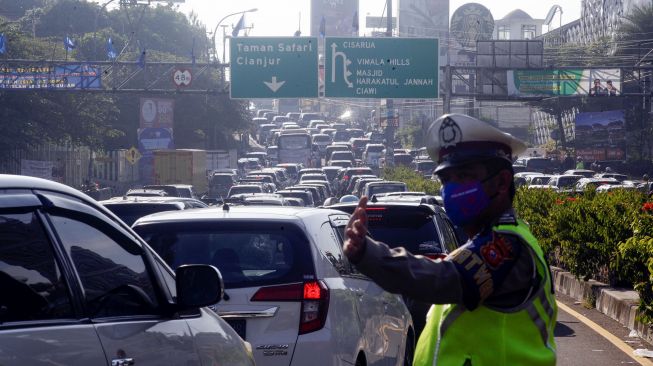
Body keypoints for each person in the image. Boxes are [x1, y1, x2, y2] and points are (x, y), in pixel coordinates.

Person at [344, 113, 557, 366]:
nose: (452, 189)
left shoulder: (508, 246)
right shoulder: (475, 245)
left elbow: (440, 279)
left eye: (465, 176)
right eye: (446, 179)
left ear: (502, 182)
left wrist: (368, 253)